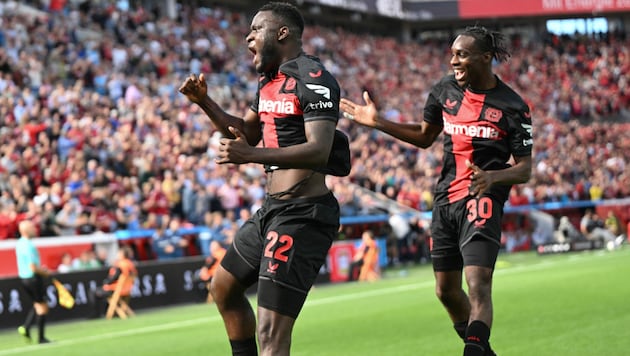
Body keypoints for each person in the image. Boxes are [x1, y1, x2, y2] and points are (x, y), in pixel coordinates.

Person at [340, 25, 533, 356]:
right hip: (445, 200)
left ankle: (473, 350)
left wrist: (493, 179)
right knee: (445, 291)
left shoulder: (512, 106)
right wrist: (379, 123)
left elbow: (525, 168)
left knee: (478, 285)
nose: (453, 61)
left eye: (462, 54)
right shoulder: (444, 90)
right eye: (452, 54)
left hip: (482, 199)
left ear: (485, 58)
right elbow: (425, 135)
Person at [178, 2, 350, 355]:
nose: (248, 37)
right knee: (222, 287)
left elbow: (319, 150)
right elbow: (247, 133)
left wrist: (251, 156)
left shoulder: (314, 79)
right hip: (272, 209)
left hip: (305, 215)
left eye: (256, 30)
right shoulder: (269, 81)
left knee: (271, 334)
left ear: (281, 33)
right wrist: (204, 102)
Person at [15, 220, 51, 344]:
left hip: (23, 278)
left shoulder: (19, 243)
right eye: (32, 227)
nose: (35, 229)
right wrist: (45, 273)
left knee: (37, 304)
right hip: (33, 278)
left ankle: (26, 328)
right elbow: (33, 267)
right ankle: (41, 337)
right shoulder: (28, 245)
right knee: (43, 307)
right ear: (25, 230)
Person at [87, 245, 137, 319]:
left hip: (116, 289)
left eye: (119, 253)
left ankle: (96, 313)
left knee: (93, 292)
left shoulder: (120, 265)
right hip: (128, 289)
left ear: (123, 254)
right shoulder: (130, 264)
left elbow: (112, 278)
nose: (118, 255)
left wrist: (106, 282)